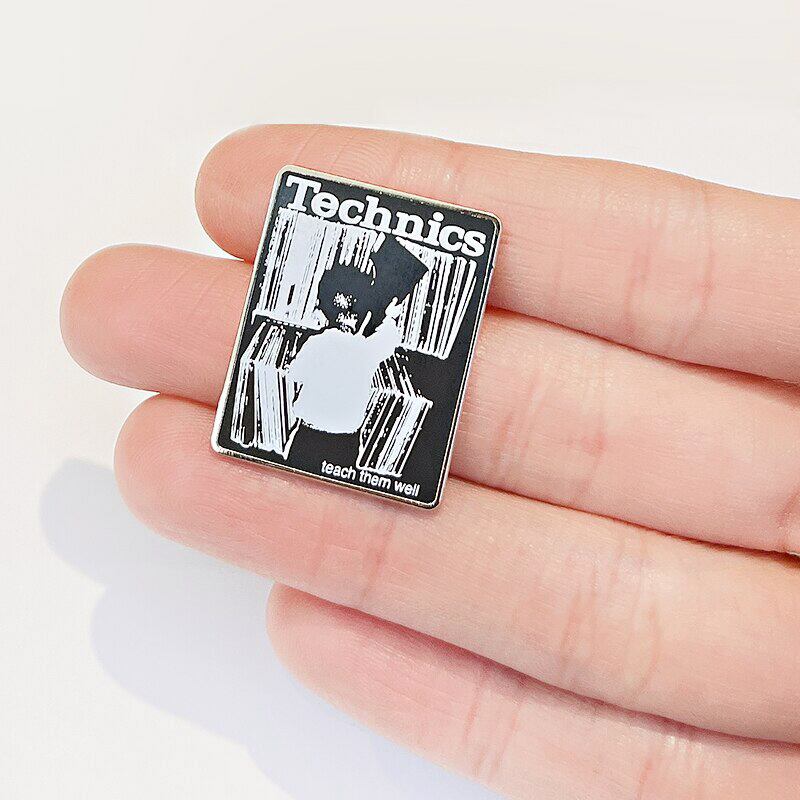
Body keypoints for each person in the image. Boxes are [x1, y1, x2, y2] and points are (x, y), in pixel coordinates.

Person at [62, 126, 800, 799]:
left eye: (361, 312)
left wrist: (382, 304)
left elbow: (368, 346)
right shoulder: (336, 346)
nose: (359, 318)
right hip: (329, 430)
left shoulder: (348, 345)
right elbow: (352, 352)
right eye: (353, 310)